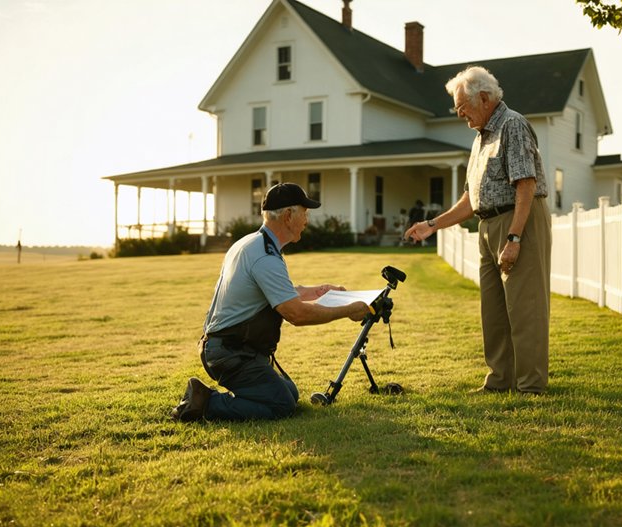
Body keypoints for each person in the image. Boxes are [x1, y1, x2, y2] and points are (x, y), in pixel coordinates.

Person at [404, 66, 552, 395]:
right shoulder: (480, 138)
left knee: (524, 306)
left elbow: (525, 185)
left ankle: (531, 385)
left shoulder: (512, 125)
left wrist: (514, 237)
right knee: (494, 310)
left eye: (463, 109)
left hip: (518, 220)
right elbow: (471, 199)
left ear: (483, 98)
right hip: (487, 224)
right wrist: (432, 225)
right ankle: (500, 381)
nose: (461, 116)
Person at [171, 183, 370, 422]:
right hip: (230, 353)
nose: (307, 220)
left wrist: (321, 290)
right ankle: (204, 402)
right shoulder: (264, 256)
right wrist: (349, 310)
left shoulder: (251, 243)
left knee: (290, 393)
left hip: (229, 348)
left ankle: (233, 395)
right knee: (281, 404)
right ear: (288, 216)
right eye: (304, 212)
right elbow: (296, 314)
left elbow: (279, 292)